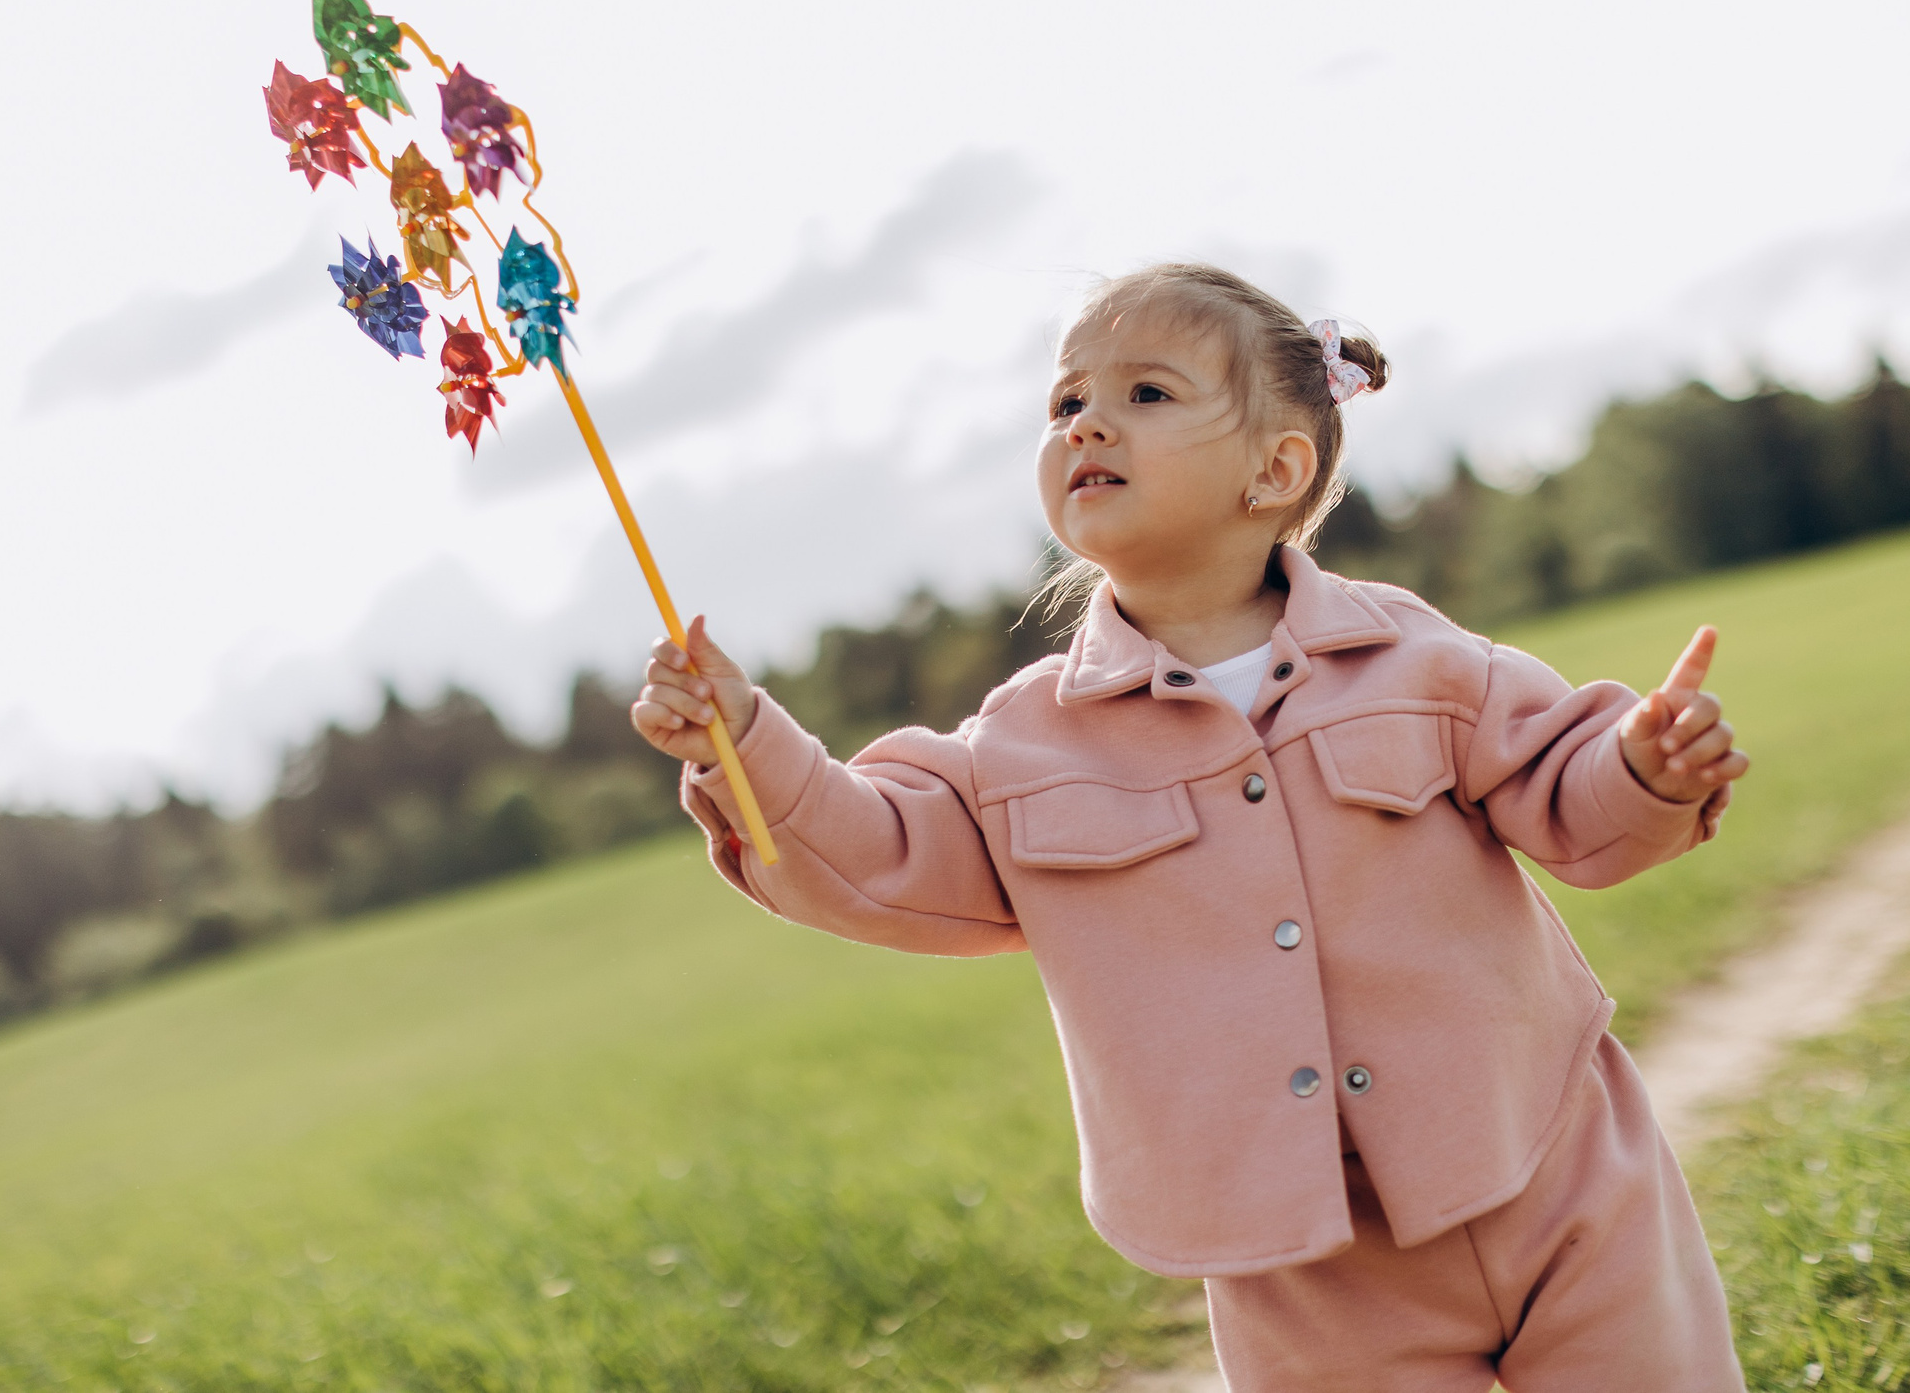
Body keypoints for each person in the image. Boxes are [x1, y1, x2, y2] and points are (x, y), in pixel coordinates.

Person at [629, 263, 1749, 1391]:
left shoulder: (1416, 664)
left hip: (1555, 1169)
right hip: (1303, 1266)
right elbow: (870, 852)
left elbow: (1571, 800)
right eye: (1066, 402)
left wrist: (1643, 767)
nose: (1087, 424)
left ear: (1275, 469)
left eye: (1145, 395)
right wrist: (746, 742)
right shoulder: (1023, 747)